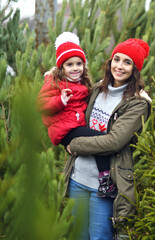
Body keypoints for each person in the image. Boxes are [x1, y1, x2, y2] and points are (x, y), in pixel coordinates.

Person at [62, 38, 151, 239]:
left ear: (135, 69)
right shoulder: (96, 89)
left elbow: (114, 142)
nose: (119, 66)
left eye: (127, 62)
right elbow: (74, 119)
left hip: (104, 187)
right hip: (77, 179)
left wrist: (73, 144)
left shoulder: (138, 104)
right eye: (116, 59)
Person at [37, 32, 118, 198]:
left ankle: (104, 179)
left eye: (79, 63)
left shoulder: (81, 83)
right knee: (102, 140)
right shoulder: (55, 83)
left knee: (98, 143)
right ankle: (105, 181)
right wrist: (60, 100)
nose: (75, 68)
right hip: (65, 130)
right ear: (61, 68)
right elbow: (41, 105)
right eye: (69, 64)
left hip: (75, 126)